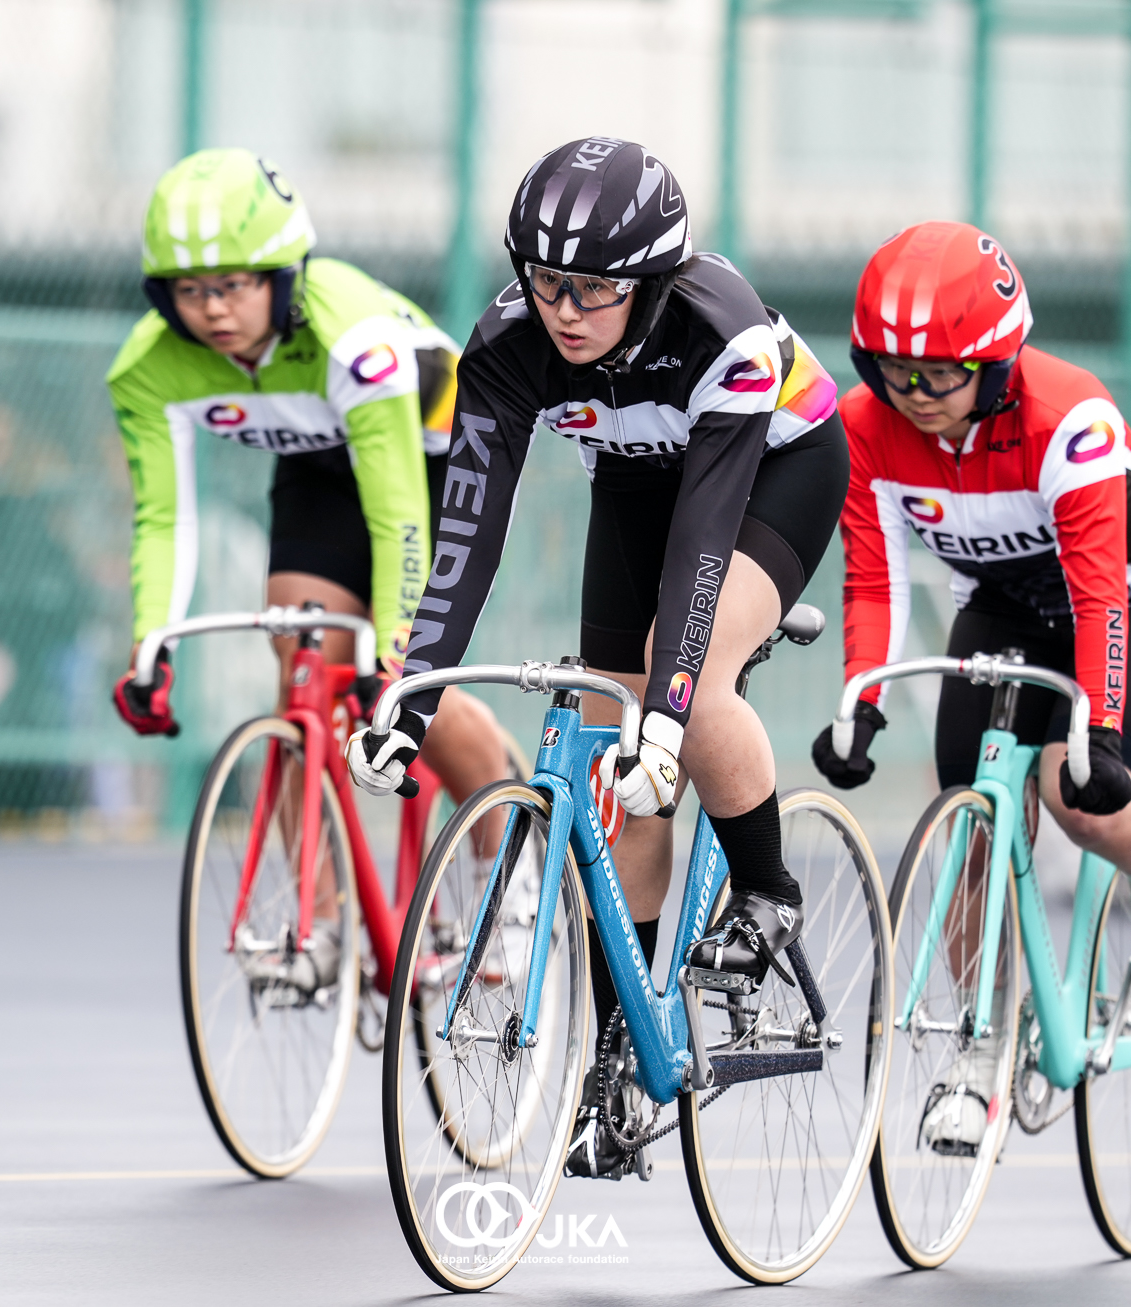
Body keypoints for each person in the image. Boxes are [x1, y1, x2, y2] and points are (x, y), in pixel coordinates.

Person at [343, 137, 847, 1177]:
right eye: (543, 281)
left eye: (591, 289)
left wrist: (669, 712)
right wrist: (409, 696)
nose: (562, 309)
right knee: (626, 778)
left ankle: (765, 887)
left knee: (683, 679)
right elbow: (466, 537)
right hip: (631, 481)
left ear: (652, 283)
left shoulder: (725, 336)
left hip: (766, 476)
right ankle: (621, 1049)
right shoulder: (508, 344)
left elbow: (704, 549)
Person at [820, 220, 1131, 1153]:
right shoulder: (862, 426)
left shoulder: (1069, 416)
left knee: (1069, 788)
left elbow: (1096, 595)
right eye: (893, 372)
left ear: (996, 365)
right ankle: (981, 1046)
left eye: (940, 376)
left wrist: (1103, 735)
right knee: (971, 816)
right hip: (1004, 600)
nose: (913, 397)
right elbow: (873, 578)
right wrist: (861, 703)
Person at [107, 148, 513, 989]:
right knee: (303, 666)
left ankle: (510, 866)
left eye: (234, 285)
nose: (213, 311)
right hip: (315, 465)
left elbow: (400, 510)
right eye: (190, 292)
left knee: (402, 681)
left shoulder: (348, 336)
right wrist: (152, 645)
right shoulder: (147, 368)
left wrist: (397, 654)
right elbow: (163, 515)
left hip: (433, 454)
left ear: (282, 278)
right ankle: (318, 924)